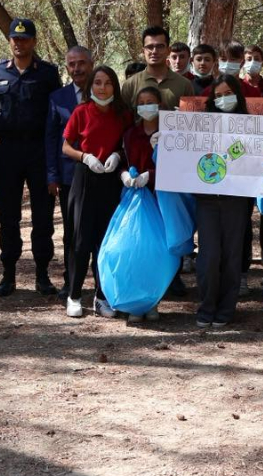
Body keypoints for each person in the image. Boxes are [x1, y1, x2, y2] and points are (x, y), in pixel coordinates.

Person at [0, 18, 62, 297]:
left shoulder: (47, 73)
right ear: (9, 41)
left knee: (43, 217)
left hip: (39, 152)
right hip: (7, 151)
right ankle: (8, 275)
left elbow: (56, 115)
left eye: (25, 39)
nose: (20, 43)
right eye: (15, 39)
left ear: (34, 42)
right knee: (8, 217)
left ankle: (42, 275)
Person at [62, 65, 132, 319]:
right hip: (85, 180)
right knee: (81, 241)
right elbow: (66, 147)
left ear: (115, 86)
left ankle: (102, 297)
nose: (103, 88)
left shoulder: (122, 114)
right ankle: (74, 295)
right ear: (91, 86)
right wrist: (85, 156)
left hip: (111, 181)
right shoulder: (82, 112)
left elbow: (129, 144)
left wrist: (118, 154)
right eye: (98, 83)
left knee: (106, 241)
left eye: (108, 83)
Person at [193, 75, 254, 328]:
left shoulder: (250, 126)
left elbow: (245, 157)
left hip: (237, 199)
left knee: (231, 255)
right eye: (217, 96)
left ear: (237, 95)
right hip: (206, 199)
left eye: (227, 93)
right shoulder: (200, 125)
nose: (222, 99)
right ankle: (206, 307)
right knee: (208, 256)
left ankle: (226, 310)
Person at [46, 46, 92, 299]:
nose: (77, 69)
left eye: (82, 63)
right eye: (72, 64)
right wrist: (52, 176)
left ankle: (102, 282)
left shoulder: (103, 91)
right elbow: (51, 139)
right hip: (68, 176)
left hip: (101, 175)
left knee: (98, 230)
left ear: (91, 64)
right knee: (72, 232)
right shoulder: (58, 97)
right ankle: (71, 280)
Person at [122, 86, 162, 323]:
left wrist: (152, 174)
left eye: (151, 101)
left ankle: (154, 301)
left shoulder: (169, 132)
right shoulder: (130, 134)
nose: (147, 105)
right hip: (134, 198)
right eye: (142, 102)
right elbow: (123, 161)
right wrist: (125, 175)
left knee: (156, 252)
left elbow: (179, 166)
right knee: (135, 250)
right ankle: (136, 302)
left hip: (160, 198)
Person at [121, 26, 195, 110]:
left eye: (160, 46)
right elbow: (123, 119)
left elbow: (189, 119)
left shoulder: (185, 85)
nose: (154, 51)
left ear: (168, 50)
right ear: (143, 51)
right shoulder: (130, 85)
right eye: (150, 47)